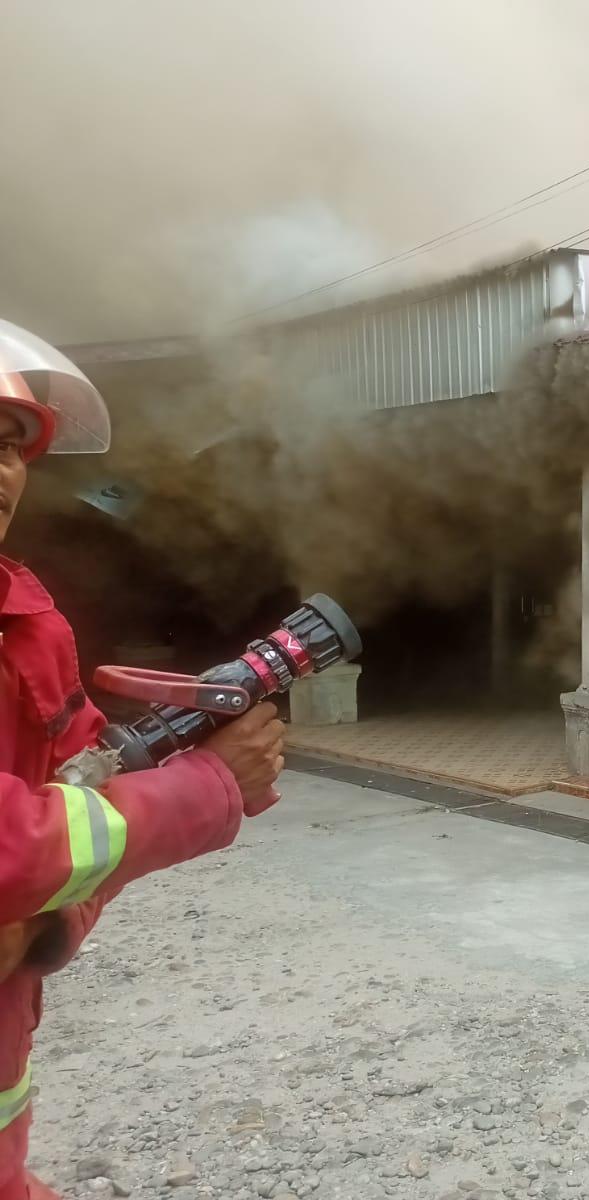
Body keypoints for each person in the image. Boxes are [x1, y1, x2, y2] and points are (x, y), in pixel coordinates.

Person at [0, 319, 286, 1200]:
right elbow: (16, 843)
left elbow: (90, 794)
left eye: (8, 445)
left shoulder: (30, 627)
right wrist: (208, 786)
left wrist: (47, 927)